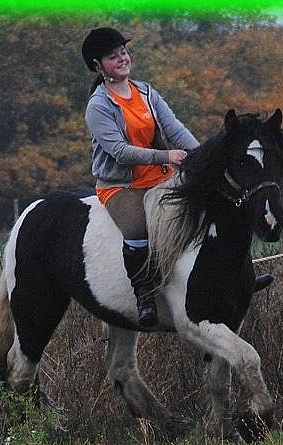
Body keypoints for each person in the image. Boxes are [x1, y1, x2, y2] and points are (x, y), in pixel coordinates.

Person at [82, 27, 199, 327]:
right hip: (122, 186)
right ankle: (144, 296)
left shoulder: (147, 93)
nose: (122, 59)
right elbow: (120, 151)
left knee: (207, 206)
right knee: (136, 230)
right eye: (112, 56)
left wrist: (202, 156)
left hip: (160, 177)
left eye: (123, 52)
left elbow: (175, 130)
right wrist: (166, 156)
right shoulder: (98, 106)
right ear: (98, 66)